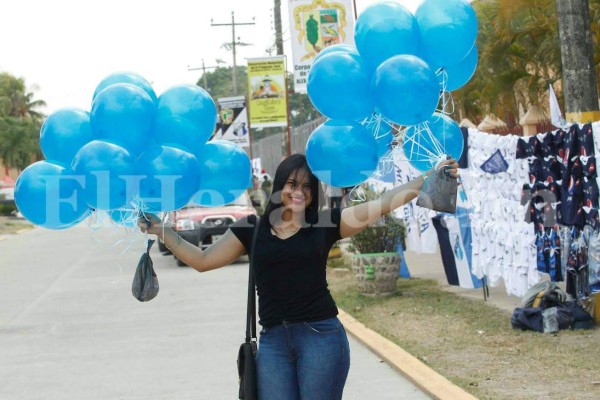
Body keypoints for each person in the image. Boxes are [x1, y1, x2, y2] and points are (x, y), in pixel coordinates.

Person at [138, 153, 459, 400]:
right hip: (274, 342)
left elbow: (381, 205)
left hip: (321, 338)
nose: (298, 192)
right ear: (279, 187)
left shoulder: (325, 224)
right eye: (292, 184)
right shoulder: (252, 228)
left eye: (307, 187)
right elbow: (203, 260)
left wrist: (428, 178)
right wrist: (162, 231)